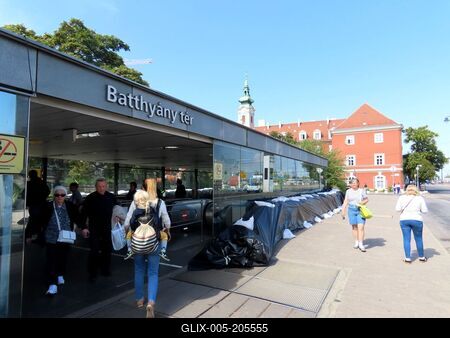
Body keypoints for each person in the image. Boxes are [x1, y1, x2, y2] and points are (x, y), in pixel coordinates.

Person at [128, 178, 171, 318]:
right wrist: (167, 230)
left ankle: (139, 299)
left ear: (142, 188)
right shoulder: (160, 202)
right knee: (153, 273)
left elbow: (127, 223)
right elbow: (167, 222)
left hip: (139, 242)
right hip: (154, 242)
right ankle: (151, 302)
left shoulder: (136, 202)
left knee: (139, 270)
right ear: (155, 188)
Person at [41, 186, 78, 295]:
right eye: (57, 195)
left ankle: (60, 274)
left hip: (65, 238)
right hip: (51, 238)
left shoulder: (70, 206)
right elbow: (38, 220)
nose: (59, 197)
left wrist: (84, 227)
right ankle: (52, 284)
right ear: (54, 196)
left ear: (65, 196)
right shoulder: (48, 206)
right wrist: (30, 233)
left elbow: (77, 217)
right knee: (51, 260)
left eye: (62, 195)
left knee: (62, 258)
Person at [80, 178, 118, 282]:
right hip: (94, 228)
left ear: (106, 186)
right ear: (96, 187)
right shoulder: (90, 198)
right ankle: (92, 273)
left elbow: (118, 211)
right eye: (99, 186)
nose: (101, 188)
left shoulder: (111, 197)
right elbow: (83, 214)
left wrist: (119, 218)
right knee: (94, 251)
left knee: (107, 250)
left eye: (103, 186)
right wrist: (83, 227)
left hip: (108, 228)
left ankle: (105, 270)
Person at [395, 184, 428, 263]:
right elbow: (425, 211)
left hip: (404, 220)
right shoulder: (420, 198)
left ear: (407, 190)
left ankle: (407, 258)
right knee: (419, 239)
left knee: (406, 239)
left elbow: (397, 209)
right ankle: (422, 257)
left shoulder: (401, 198)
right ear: (416, 190)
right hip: (417, 220)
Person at [341, 178, 369, 252]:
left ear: (358, 183)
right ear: (350, 184)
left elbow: (366, 199)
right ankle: (356, 241)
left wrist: (362, 203)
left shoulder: (361, 191)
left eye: (355, 183)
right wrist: (343, 210)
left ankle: (361, 243)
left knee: (361, 227)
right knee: (354, 227)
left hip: (360, 210)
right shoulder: (348, 191)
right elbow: (346, 201)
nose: (353, 184)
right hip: (351, 210)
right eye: (352, 183)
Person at [25, 169, 50, 244]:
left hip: (34, 205)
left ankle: (29, 235)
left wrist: (29, 201)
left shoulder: (29, 184)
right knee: (40, 221)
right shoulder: (41, 182)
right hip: (42, 204)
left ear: (30, 176)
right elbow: (47, 191)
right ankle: (39, 236)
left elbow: (24, 193)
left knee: (33, 220)